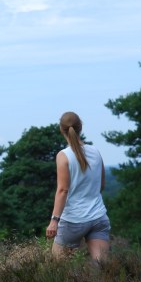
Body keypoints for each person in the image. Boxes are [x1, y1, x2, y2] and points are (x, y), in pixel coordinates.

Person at [45, 111, 110, 263]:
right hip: (98, 217)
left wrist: (54, 221)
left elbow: (63, 190)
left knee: (57, 270)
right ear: (80, 127)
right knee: (101, 267)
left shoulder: (63, 155)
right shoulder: (96, 152)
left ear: (62, 130)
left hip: (73, 221)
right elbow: (101, 185)